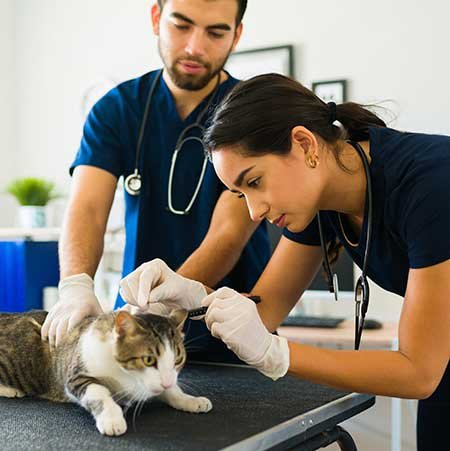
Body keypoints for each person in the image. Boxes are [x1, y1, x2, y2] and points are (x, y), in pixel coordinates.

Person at [120, 74, 450, 450]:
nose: (254, 211)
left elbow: (418, 371)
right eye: (239, 193)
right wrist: (192, 296)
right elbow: (265, 312)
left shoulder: (432, 185)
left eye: (255, 181)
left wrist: (278, 354)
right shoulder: (321, 199)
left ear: (304, 144)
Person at [41, 0, 270, 363]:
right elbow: (86, 207)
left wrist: (167, 300)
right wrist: (75, 284)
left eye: (215, 32)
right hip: (134, 330)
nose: (195, 47)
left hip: (231, 335)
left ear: (237, 34)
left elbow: (229, 233)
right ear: (155, 19)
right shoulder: (116, 110)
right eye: (181, 26)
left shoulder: (252, 114)